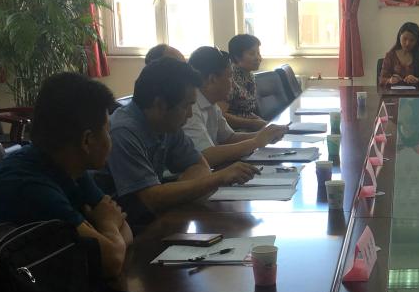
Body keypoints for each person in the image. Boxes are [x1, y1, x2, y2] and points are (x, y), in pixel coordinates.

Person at [0, 73, 131, 279]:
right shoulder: (31, 188)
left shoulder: (68, 165)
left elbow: (125, 232)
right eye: (108, 131)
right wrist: (108, 224)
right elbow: (112, 260)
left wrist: (109, 233)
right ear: (87, 141)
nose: (110, 140)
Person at [105, 57, 258, 224]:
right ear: (160, 105)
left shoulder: (166, 123)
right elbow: (150, 198)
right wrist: (218, 178)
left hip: (159, 217)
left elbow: (200, 166)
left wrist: (174, 194)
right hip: (127, 227)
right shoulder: (123, 132)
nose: (190, 114)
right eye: (186, 106)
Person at [185, 47, 288, 168]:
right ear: (212, 79)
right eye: (230, 77)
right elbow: (206, 156)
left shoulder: (211, 102)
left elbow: (229, 138)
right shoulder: (189, 108)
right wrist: (255, 142)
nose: (233, 83)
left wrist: (264, 135)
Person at [224, 33, 266, 131]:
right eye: (252, 54)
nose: (258, 58)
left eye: (258, 53)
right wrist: (252, 123)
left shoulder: (250, 76)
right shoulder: (229, 78)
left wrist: (262, 122)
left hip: (250, 127)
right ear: (237, 57)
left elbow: (246, 111)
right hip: (234, 132)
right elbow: (221, 115)